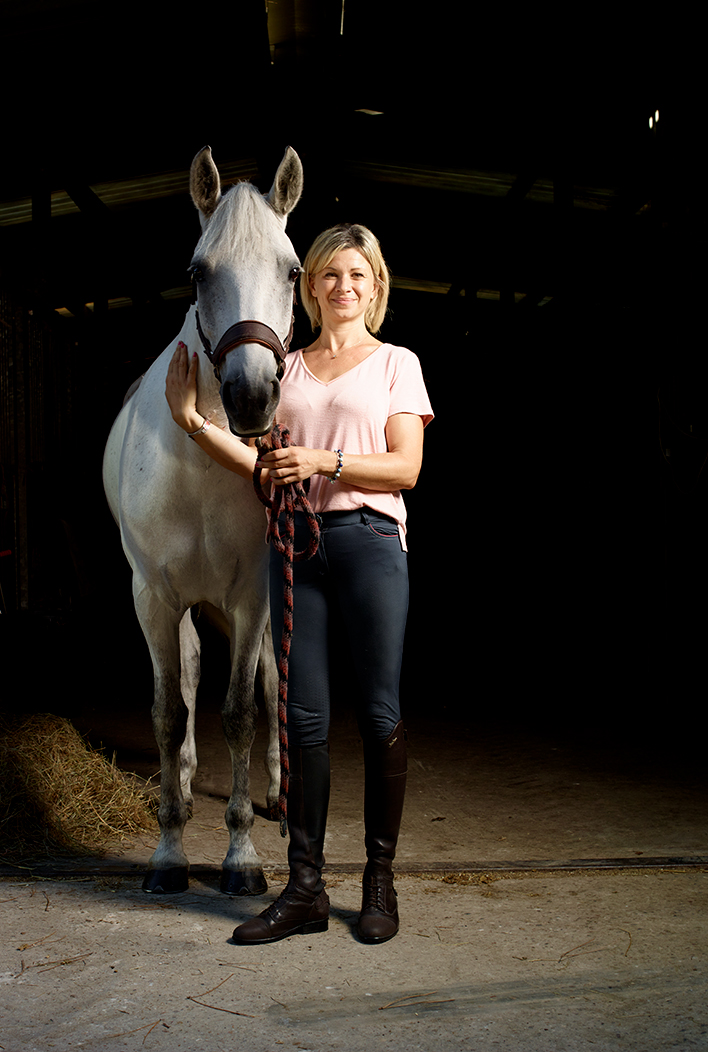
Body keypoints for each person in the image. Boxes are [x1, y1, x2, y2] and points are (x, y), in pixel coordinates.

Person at [164, 223, 434, 944]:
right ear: (308, 287)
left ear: (375, 286)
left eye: (357, 274)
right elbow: (259, 463)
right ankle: (306, 889)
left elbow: (405, 468)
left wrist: (322, 461)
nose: (342, 286)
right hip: (298, 551)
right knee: (303, 720)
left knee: (379, 714)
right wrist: (193, 423)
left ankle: (380, 881)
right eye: (328, 275)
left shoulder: (395, 365)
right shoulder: (286, 369)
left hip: (370, 541)